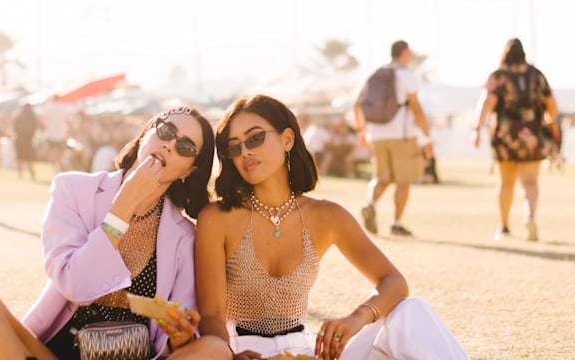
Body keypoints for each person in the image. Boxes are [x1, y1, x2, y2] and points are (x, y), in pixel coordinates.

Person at [193, 94, 468, 359]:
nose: (246, 151)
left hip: (308, 350)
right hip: (242, 350)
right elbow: (212, 316)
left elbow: (394, 282)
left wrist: (357, 318)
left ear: (287, 139)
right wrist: (229, 355)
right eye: (235, 146)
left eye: (255, 138)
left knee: (412, 312)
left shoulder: (326, 215)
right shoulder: (217, 218)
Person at [0, 106, 230, 359]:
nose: (170, 144)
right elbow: (75, 284)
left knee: (214, 350)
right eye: (166, 131)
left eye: (185, 146)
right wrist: (124, 206)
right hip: (59, 352)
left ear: (190, 170)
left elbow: (170, 339)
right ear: (146, 133)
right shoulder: (72, 190)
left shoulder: (185, 235)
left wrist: (178, 339)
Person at [473, 38, 560, 241]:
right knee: (530, 181)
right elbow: (551, 103)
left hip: (505, 134)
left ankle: (503, 227)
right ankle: (530, 215)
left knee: (506, 183)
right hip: (532, 133)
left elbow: (487, 102)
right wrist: (551, 124)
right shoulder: (536, 75)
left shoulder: (499, 76)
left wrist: (477, 129)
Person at [354, 40, 433, 236]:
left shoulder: (374, 74)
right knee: (403, 180)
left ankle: (370, 204)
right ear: (404, 53)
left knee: (380, 178)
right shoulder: (406, 75)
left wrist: (361, 131)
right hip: (402, 135)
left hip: (377, 134)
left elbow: (357, 104)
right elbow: (415, 108)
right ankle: (396, 223)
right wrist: (426, 136)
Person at [41, 95, 70, 175]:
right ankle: (58, 166)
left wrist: (49, 126)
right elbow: (67, 120)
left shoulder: (48, 108)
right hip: (61, 134)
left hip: (51, 134)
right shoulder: (63, 108)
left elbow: (43, 120)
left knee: (52, 152)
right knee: (60, 152)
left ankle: (55, 168)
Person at [12, 102, 40, 180]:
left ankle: (20, 174)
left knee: (20, 157)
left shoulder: (19, 116)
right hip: (29, 139)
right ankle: (30, 170)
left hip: (19, 139)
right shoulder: (33, 117)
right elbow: (35, 128)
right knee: (29, 157)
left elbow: (15, 128)